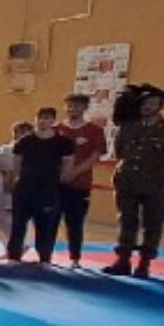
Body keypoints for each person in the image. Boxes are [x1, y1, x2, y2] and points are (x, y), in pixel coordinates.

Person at [104, 83, 164, 278]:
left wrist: (163, 171)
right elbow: (120, 152)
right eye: (145, 103)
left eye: (152, 103)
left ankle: (144, 263)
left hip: (156, 182)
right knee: (127, 221)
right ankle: (123, 260)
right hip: (127, 180)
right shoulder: (128, 126)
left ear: (160, 106)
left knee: (153, 222)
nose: (148, 107)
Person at [6, 108, 74, 266]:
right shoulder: (24, 141)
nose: (43, 121)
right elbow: (17, 164)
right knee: (18, 223)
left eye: (47, 118)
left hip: (48, 190)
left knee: (46, 225)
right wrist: (20, 178)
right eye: (40, 118)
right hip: (25, 188)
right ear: (35, 119)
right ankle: (14, 256)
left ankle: (44, 257)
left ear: (53, 121)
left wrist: (60, 180)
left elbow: (68, 164)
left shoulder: (63, 143)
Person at [55, 94, 106, 269]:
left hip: (79, 185)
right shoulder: (56, 129)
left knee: (75, 223)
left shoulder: (94, 131)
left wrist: (74, 172)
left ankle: (74, 257)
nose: (72, 109)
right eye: (69, 106)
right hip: (56, 185)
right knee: (50, 221)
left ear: (84, 108)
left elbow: (94, 157)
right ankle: (45, 256)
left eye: (76, 106)